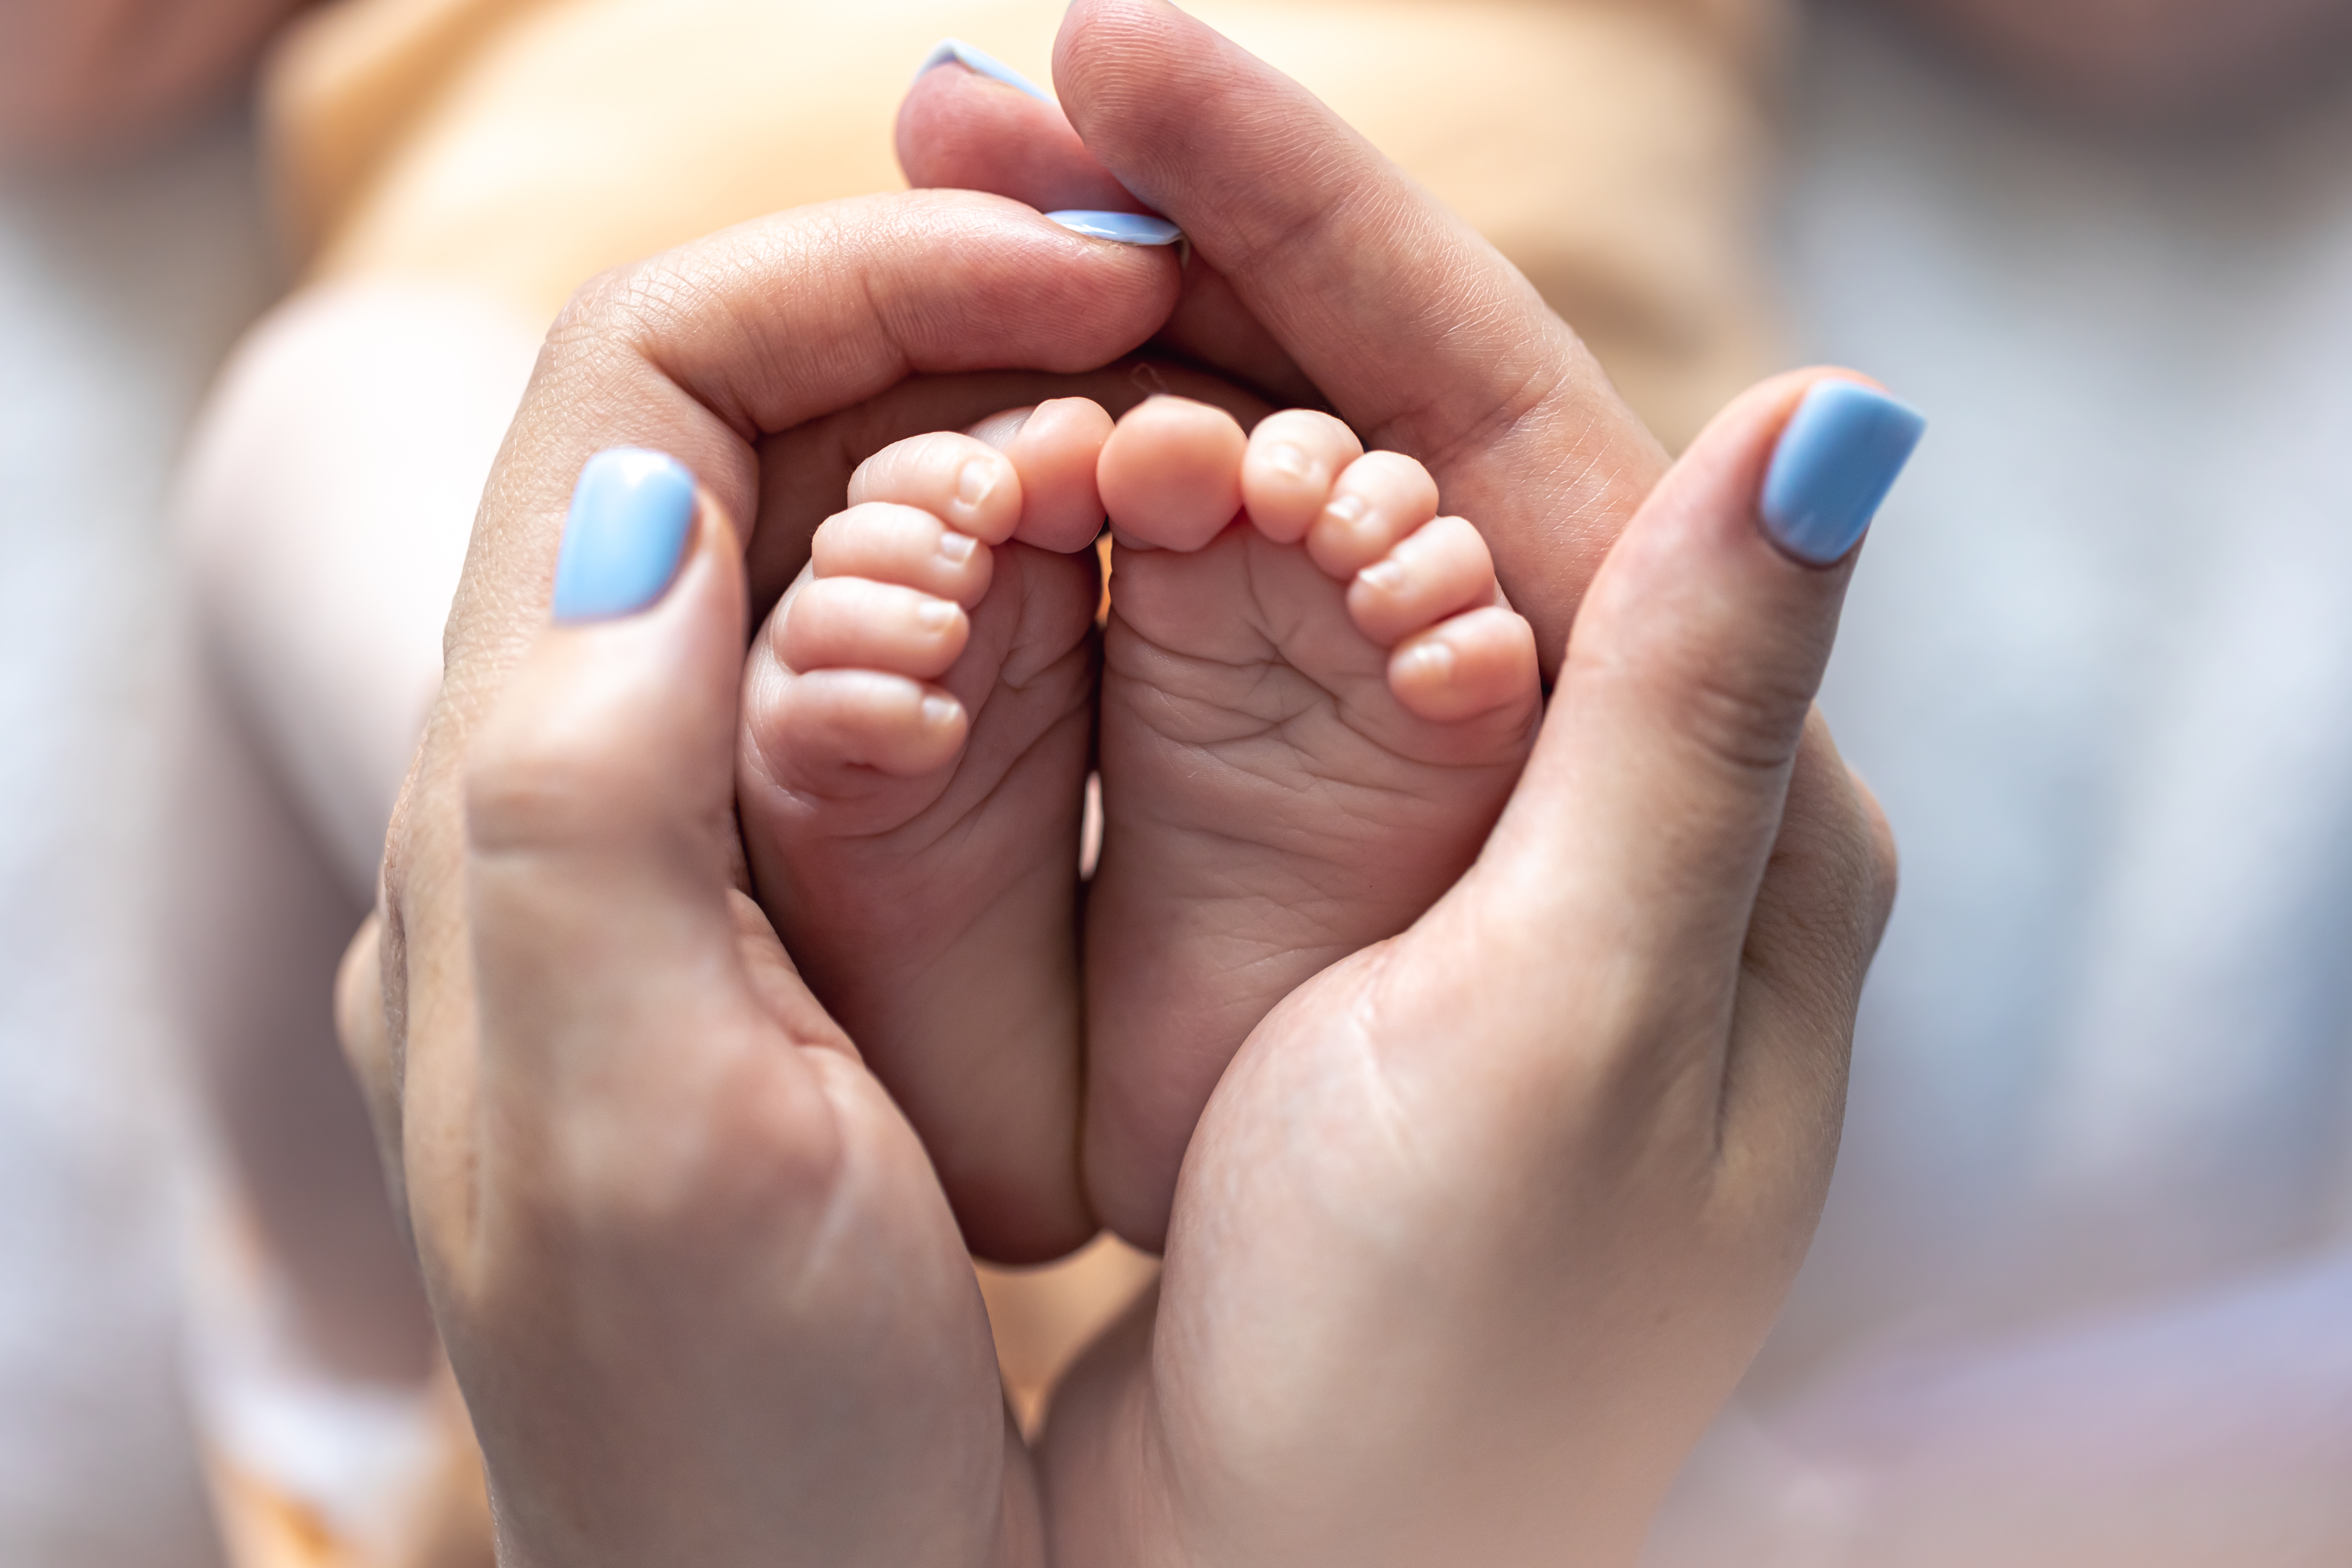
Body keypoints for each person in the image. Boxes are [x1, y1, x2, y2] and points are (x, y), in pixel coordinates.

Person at [333, 8, 1908, 1559]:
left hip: (611, 1354)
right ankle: (1259, 979)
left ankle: (669, 887)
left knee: (361, 443)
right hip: (1432, 445)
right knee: (370, 400)